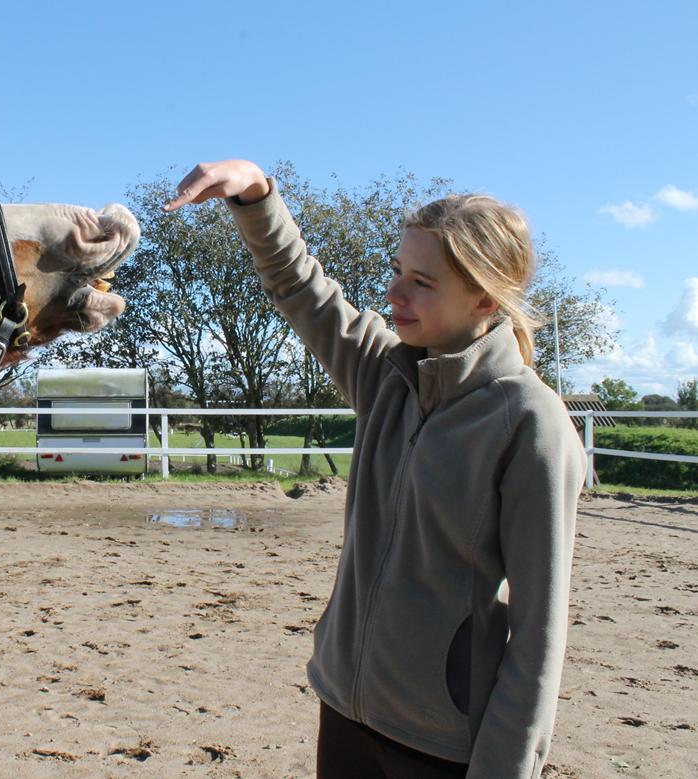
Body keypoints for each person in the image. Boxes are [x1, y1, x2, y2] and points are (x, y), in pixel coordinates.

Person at [164, 160, 586, 779]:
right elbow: (300, 286)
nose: (395, 294)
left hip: (440, 744)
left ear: (485, 297)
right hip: (344, 710)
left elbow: (540, 631)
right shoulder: (387, 374)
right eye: (397, 271)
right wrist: (256, 194)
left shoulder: (530, 424)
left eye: (421, 281)